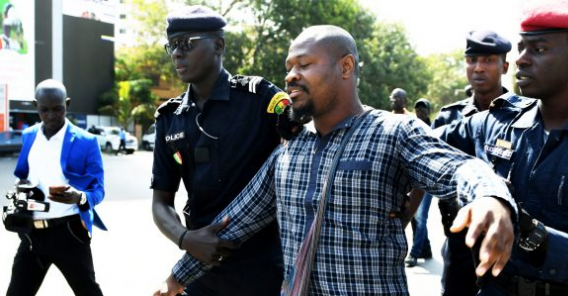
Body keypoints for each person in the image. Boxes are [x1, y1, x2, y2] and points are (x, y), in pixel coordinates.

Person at [155, 25, 519, 296]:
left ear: (345, 67)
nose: (291, 75)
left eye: (304, 65)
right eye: (289, 66)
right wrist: (176, 279)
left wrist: (490, 196)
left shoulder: (393, 132)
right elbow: (234, 223)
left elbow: (457, 167)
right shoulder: (289, 150)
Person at [438, 1, 568, 294]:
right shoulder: (494, 124)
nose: (521, 60)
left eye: (539, 49)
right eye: (521, 48)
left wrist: (535, 235)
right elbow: (421, 142)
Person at [150, 5, 297, 296]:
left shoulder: (262, 101)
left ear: (218, 45)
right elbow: (160, 202)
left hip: (264, 269)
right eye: (172, 46)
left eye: (187, 44)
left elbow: (311, 151)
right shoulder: (170, 118)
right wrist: (185, 238)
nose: (177, 54)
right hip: (201, 268)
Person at [7, 79, 106, 296]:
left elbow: (98, 190)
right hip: (32, 235)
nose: (51, 115)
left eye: (58, 108)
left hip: (69, 233)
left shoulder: (86, 141)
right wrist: (21, 188)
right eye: (44, 110)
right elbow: (23, 174)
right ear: (36, 106)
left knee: (88, 292)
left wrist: (78, 197)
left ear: (67, 104)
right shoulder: (29, 136)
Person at [434, 30, 512, 296]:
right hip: (458, 240)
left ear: (505, 66)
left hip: (506, 243)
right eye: (472, 60)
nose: (478, 67)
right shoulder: (448, 118)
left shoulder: (523, 116)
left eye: (488, 60)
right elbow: (423, 166)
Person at [405, 97, 433, 268]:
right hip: (412, 179)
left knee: (420, 217)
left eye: (423, 109)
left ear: (428, 112)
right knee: (416, 218)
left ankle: (414, 253)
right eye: (418, 109)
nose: (420, 112)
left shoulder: (434, 129)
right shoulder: (411, 127)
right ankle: (426, 248)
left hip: (427, 180)